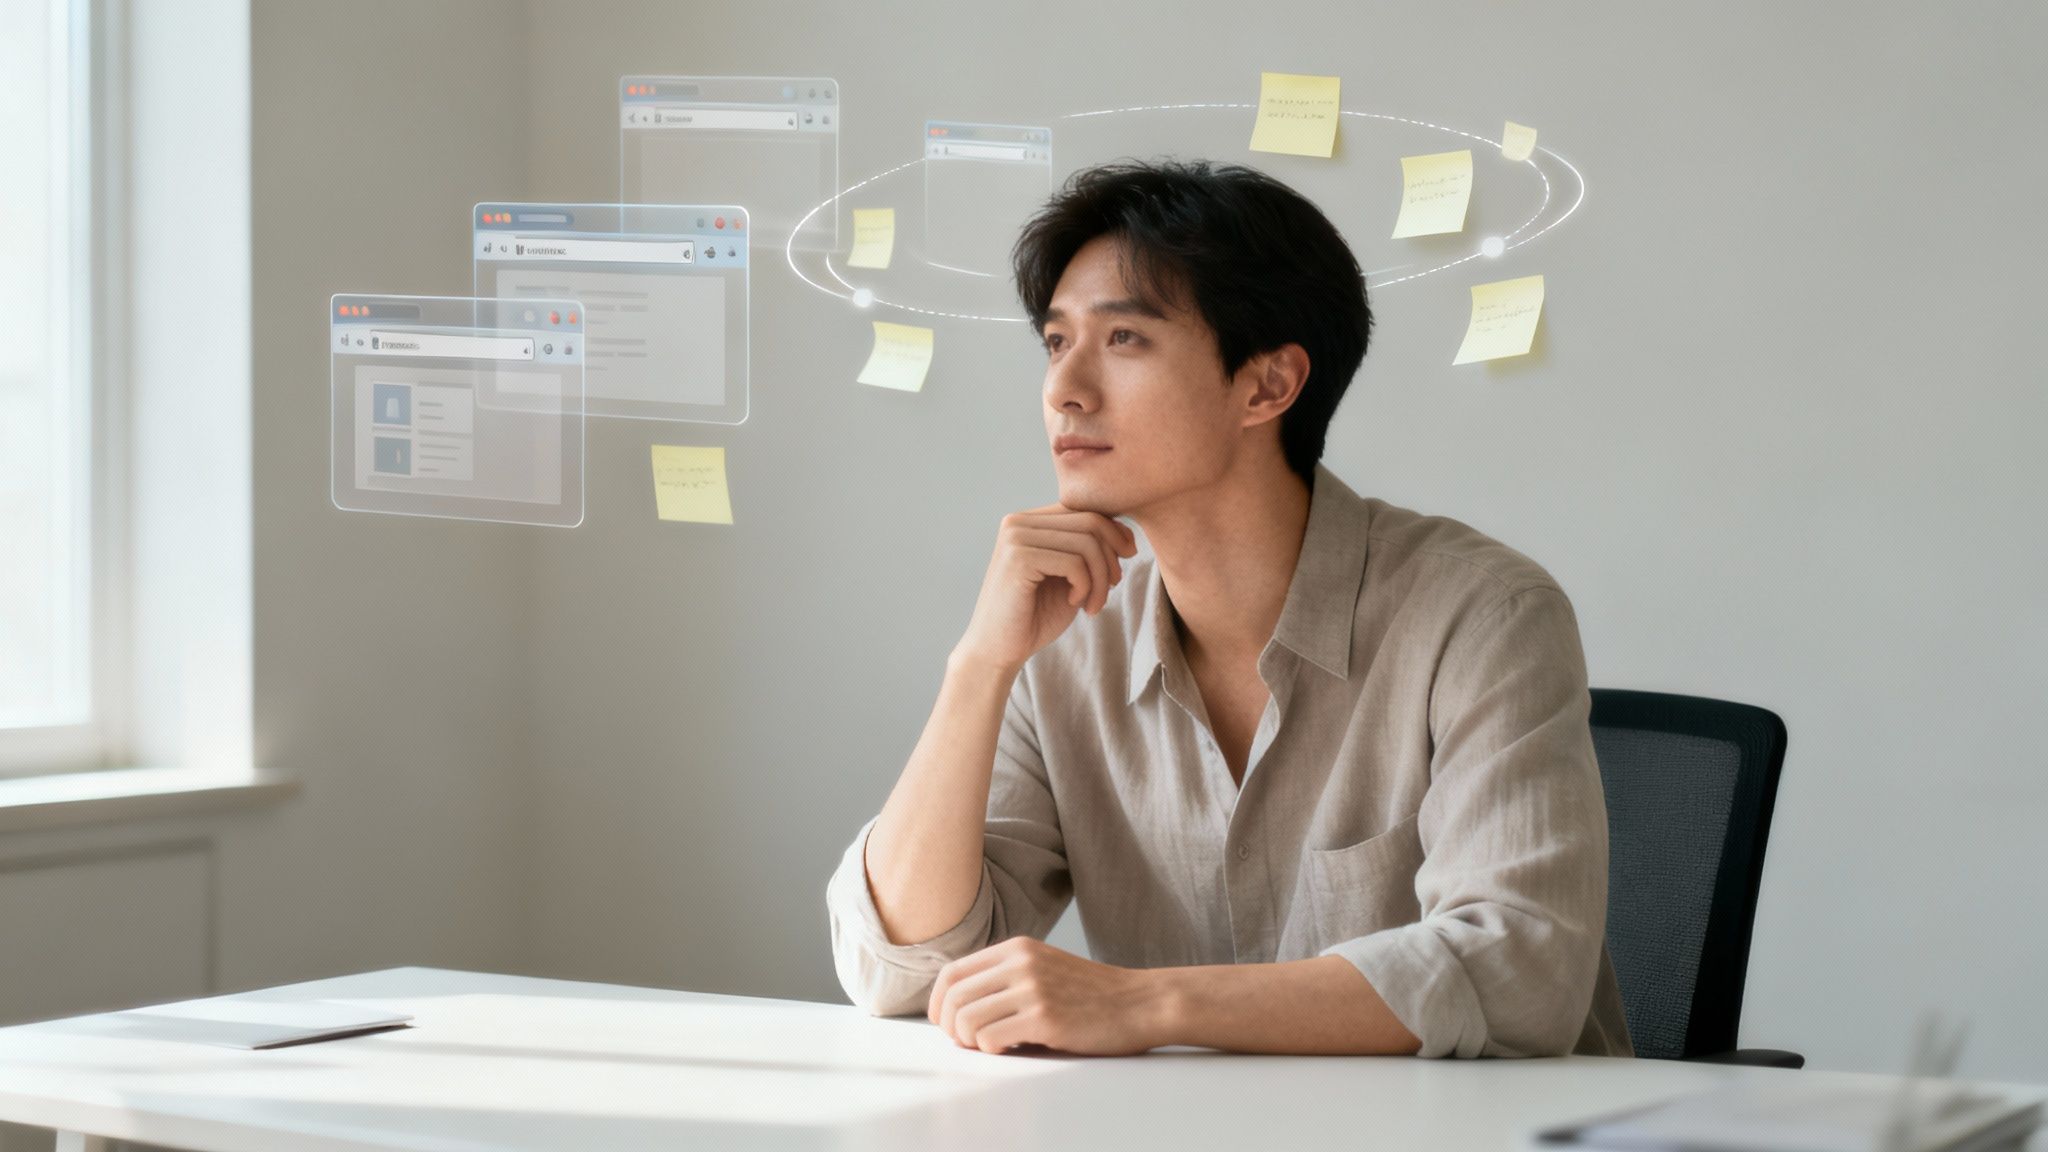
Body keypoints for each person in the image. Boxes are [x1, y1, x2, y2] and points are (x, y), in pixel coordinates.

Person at [825, 159, 1632, 1059]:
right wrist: (978, 666)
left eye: (1123, 339)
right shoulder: (1063, 642)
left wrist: (1145, 1005)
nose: (1064, 389)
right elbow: (900, 966)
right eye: (1056, 343)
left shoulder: (1482, 616)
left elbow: (1521, 973)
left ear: (1267, 387)